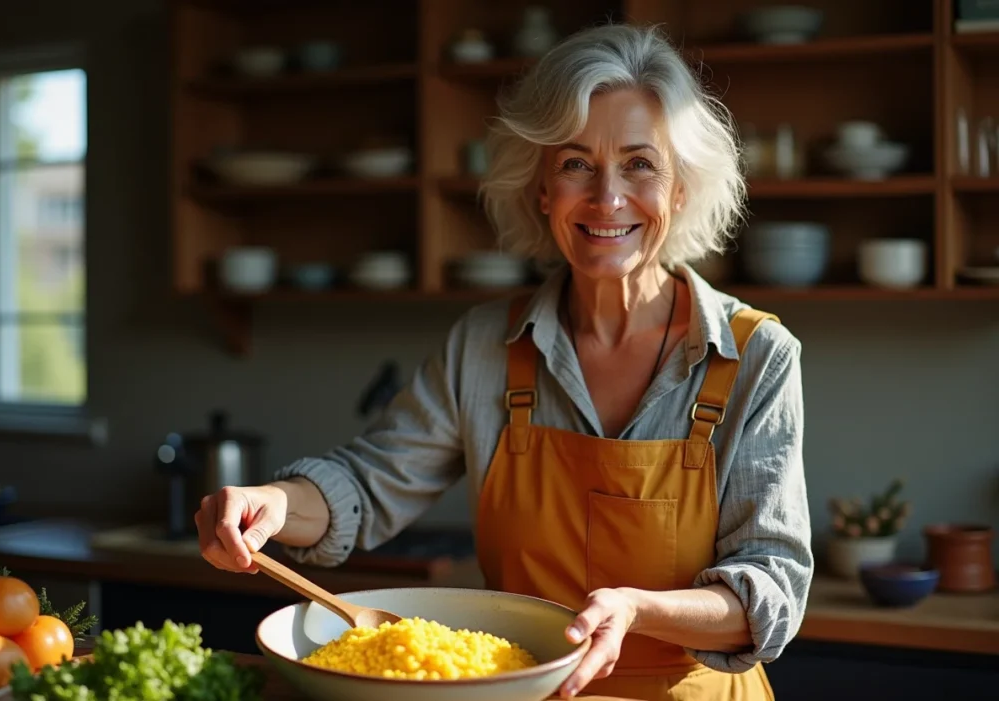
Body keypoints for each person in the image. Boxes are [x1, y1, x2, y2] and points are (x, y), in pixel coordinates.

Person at [196, 22, 812, 701]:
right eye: (576, 162)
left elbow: (771, 590)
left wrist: (637, 608)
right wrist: (272, 504)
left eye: (640, 163)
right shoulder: (486, 344)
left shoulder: (755, 356)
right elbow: (368, 487)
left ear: (680, 189)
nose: (607, 197)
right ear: (542, 187)